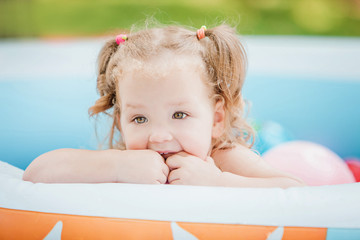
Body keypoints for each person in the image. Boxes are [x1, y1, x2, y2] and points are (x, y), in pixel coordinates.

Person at [23, 24, 305, 188]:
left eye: (179, 114)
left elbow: (297, 192)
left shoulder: (223, 160)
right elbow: (36, 173)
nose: (158, 136)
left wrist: (219, 183)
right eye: (139, 119)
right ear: (121, 121)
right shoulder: (124, 159)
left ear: (217, 119)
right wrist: (116, 166)